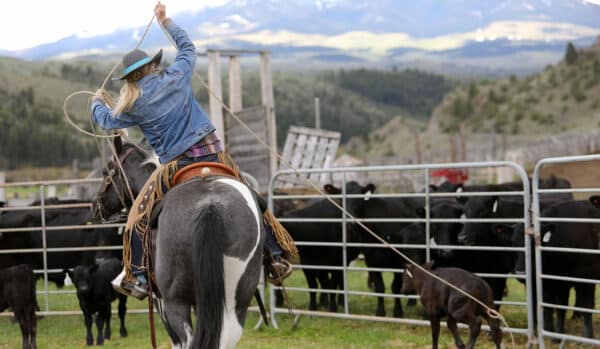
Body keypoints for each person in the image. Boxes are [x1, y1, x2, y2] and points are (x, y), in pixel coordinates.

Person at [91, 2, 294, 299]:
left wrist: (96, 101)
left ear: (131, 78)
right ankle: (276, 256)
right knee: (252, 197)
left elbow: (106, 120)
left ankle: (138, 276)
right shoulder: (176, 75)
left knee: (137, 216)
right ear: (151, 66)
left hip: (175, 165)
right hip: (213, 153)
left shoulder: (133, 104)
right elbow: (188, 47)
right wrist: (166, 22)